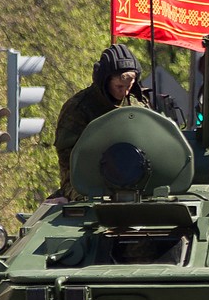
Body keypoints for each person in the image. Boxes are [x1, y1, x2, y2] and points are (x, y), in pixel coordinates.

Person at [54, 43, 151, 199]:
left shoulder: (138, 106)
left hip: (136, 179)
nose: (124, 91)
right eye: (119, 86)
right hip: (85, 182)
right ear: (105, 81)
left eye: (129, 85)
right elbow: (68, 156)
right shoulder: (79, 108)